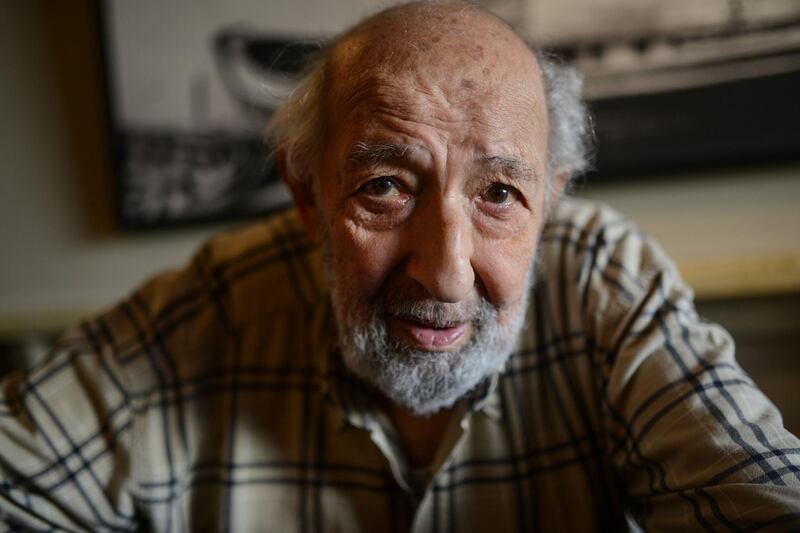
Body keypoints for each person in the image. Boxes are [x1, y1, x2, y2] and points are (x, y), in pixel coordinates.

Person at [2, 1, 799, 531]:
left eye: (498, 193)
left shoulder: (605, 280)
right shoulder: (217, 303)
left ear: (549, 202)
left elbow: (758, 492)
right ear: (307, 192)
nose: (447, 274)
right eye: (384, 186)